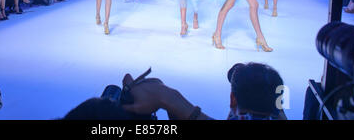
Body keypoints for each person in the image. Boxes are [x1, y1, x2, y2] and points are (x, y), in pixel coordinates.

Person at [64, 62, 285, 120]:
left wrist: (165, 96)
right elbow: (279, 100)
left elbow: (179, 105)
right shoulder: (277, 112)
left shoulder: (237, 112)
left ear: (232, 99)